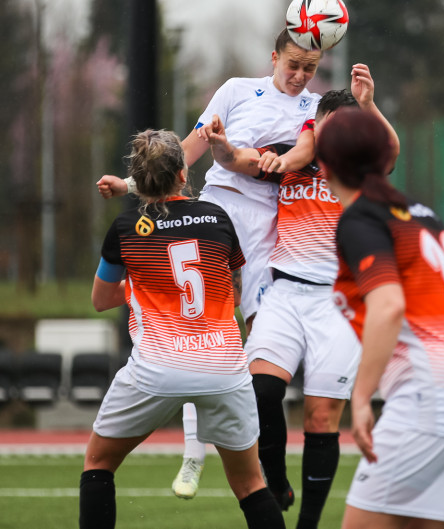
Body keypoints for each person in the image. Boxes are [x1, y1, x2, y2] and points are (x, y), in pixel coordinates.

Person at [97, 29, 324, 500]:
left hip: (268, 230)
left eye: (310, 68)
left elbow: (310, 158)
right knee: (196, 327)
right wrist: (129, 184)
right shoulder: (237, 90)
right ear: (274, 57)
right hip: (215, 215)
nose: (300, 75)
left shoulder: (316, 109)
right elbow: (185, 153)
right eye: (293, 65)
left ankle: (271, 469)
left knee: (263, 353)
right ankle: (193, 454)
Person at [201, 76, 398, 528]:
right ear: (315, 125)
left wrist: (370, 104)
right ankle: (276, 479)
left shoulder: (361, 171)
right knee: (261, 390)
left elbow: (391, 150)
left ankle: (308, 524)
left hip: (338, 304)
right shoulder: (290, 158)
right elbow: (236, 161)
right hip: (284, 293)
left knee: (321, 417)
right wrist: (220, 146)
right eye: (327, 128)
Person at [82, 129, 284, 529]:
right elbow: (235, 293)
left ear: (139, 179)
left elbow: (101, 300)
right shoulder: (218, 218)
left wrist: (146, 285)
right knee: (250, 484)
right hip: (224, 367)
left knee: (98, 463)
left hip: (158, 367)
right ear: (182, 174)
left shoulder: (125, 227)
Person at [316, 108, 444, 529]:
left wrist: (361, 399)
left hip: (436, 392)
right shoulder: (423, 214)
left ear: (324, 166)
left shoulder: (362, 217)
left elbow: (388, 307)